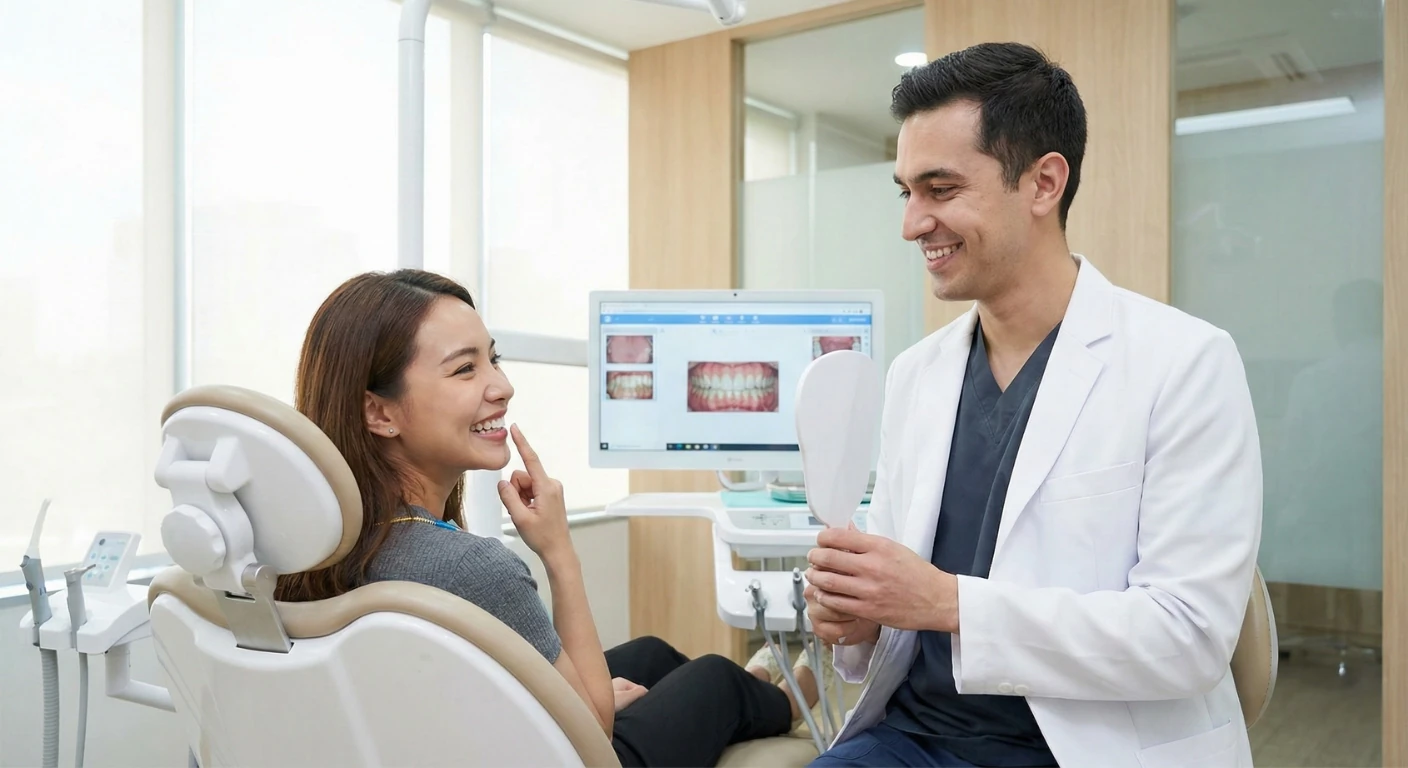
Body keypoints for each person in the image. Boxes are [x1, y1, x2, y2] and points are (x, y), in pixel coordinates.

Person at [801, 42, 1263, 767]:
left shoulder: (1185, 363)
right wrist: (858, 619)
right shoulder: (916, 377)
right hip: (913, 738)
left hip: (1086, 746)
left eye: (941, 189)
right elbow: (901, 615)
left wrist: (948, 603)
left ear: (1044, 182)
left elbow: (1189, 637)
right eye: (906, 192)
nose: (912, 223)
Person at [275, 268, 825, 767]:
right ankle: (778, 697)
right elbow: (589, 731)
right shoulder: (470, 568)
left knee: (652, 656)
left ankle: (756, 691)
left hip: (448, 738)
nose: (502, 386)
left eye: (494, 359)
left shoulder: (309, 547)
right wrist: (558, 551)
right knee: (711, 681)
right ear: (379, 412)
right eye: (466, 369)